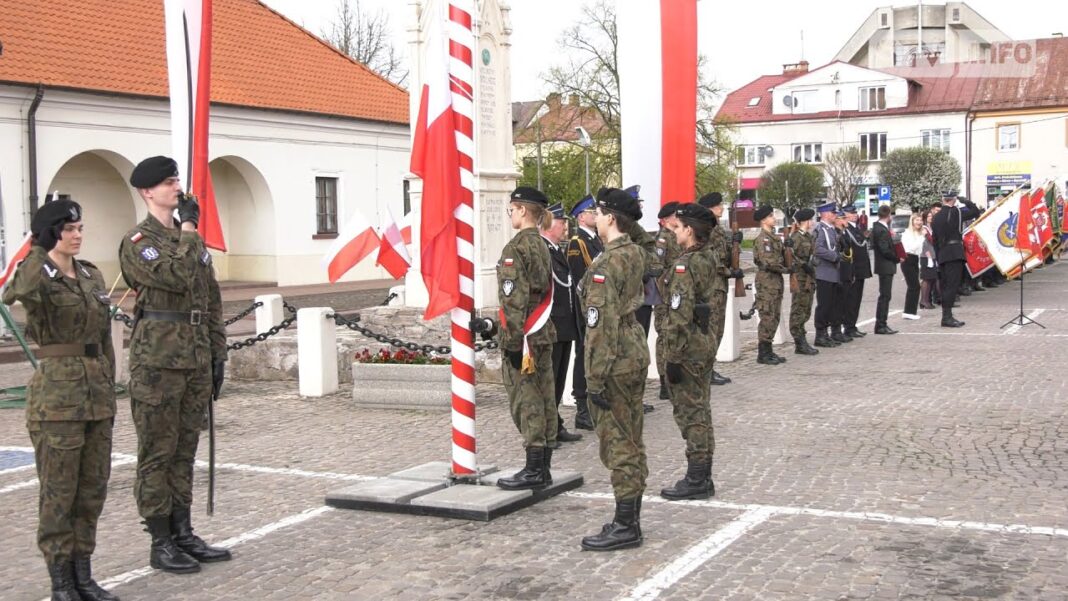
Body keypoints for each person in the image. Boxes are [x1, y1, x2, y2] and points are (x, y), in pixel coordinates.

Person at [3, 200, 121, 601]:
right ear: (52, 233)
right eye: (67, 229)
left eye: (79, 228)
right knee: (59, 493)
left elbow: (103, 339)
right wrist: (39, 248)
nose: (76, 235)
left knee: (91, 490)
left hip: (96, 397)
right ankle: (61, 583)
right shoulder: (39, 274)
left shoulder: (91, 274)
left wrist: (110, 382)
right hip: (57, 401)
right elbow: (14, 293)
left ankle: (83, 574)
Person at [120, 156, 230, 575]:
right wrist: (188, 229)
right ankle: (160, 539)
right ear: (148, 192)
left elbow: (210, 296)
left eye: (177, 180)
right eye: (168, 183)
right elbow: (177, 277)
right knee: (157, 453)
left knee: (185, 449)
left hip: (195, 356)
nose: (177, 188)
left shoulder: (192, 240)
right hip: (159, 362)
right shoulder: (137, 242)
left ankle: (183, 531)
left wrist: (218, 351)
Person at [577, 188, 650, 551]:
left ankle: (625, 525)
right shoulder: (636, 253)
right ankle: (630, 517)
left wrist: (595, 378)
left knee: (618, 440)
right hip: (633, 349)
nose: (595, 218)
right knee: (632, 435)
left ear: (609, 218)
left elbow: (599, 325)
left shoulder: (607, 263)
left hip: (615, 357)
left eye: (599, 213)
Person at [494, 186, 558, 490]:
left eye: (511, 210)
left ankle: (534, 468)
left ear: (521, 210)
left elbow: (514, 300)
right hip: (542, 332)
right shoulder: (543, 244)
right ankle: (543, 464)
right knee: (545, 397)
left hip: (525, 337)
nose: (511, 215)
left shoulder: (516, 248)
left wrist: (511, 342)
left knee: (526, 400)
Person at [659, 203, 718, 501]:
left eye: (679, 227)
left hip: (688, 347)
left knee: (690, 412)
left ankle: (696, 478)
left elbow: (679, 316)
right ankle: (703, 474)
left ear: (690, 230)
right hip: (703, 341)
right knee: (702, 409)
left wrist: (672, 357)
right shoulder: (707, 257)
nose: (675, 231)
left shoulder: (686, 264)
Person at [540, 202, 583, 446]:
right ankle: (548, 427)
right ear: (548, 224)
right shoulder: (544, 250)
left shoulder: (557, 250)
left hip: (565, 325)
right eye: (560, 222)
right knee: (549, 380)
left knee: (558, 379)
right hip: (552, 326)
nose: (565, 226)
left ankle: (555, 423)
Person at [566, 194, 601, 432]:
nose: (596, 215)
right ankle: (582, 407)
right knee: (583, 353)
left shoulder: (596, 240)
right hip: (584, 307)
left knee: (595, 353)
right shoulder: (578, 243)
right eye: (592, 212)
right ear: (581, 216)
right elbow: (581, 279)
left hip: (597, 306)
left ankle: (593, 401)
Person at [697, 193, 735, 385]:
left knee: (718, 328)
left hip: (720, 285)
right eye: (718, 205)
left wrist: (733, 243)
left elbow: (726, 255)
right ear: (710, 208)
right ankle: (706, 370)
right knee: (711, 328)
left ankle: (710, 367)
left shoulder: (718, 229)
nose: (722, 208)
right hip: (712, 285)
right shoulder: (707, 230)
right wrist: (728, 271)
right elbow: (711, 260)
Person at [930, 190, 980, 327]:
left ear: (942, 199)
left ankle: (946, 316)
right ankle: (947, 317)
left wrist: (939, 255)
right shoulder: (956, 213)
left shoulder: (936, 217)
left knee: (946, 285)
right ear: (953, 199)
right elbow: (975, 212)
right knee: (952, 286)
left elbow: (935, 239)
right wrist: (964, 200)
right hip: (955, 252)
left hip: (943, 253)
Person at [751, 204, 789, 365]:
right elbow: (769, 261)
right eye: (771, 216)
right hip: (767, 281)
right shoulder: (763, 239)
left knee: (774, 315)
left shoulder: (773, 237)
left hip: (775, 281)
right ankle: (763, 352)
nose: (774, 219)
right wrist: (786, 267)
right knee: (767, 315)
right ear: (764, 220)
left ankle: (769, 349)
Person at [652, 201, 682, 401]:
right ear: (665, 220)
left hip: (674, 295)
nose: (676, 219)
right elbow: (657, 269)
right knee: (664, 338)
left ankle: (671, 380)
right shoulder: (663, 239)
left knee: (673, 337)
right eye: (673, 216)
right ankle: (664, 383)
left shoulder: (675, 237)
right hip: (665, 296)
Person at [788, 208, 819, 355]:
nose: (812, 222)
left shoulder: (808, 237)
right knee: (799, 309)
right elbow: (790, 255)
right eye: (810, 220)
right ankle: (799, 341)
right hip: (800, 277)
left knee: (806, 310)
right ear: (804, 221)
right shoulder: (796, 237)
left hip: (809, 277)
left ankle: (802, 339)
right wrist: (803, 264)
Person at [812, 203, 841, 348]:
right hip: (823, 272)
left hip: (833, 272)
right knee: (824, 305)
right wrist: (834, 256)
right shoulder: (820, 230)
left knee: (832, 305)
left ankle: (827, 333)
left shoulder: (831, 230)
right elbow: (817, 249)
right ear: (825, 214)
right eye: (833, 213)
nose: (835, 215)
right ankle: (820, 334)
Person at [841, 205, 871, 339]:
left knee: (857, 300)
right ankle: (849, 327)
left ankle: (852, 325)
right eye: (851, 213)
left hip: (860, 269)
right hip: (853, 270)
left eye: (855, 212)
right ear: (845, 215)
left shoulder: (856, 228)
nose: (854, 215)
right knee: (851, 300)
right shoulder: (847, 230)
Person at [871, 205, 900, 334]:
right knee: (885, 295)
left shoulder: (880, 228)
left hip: (884, 265)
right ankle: (881, 324)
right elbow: (884, 249)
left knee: (885, 295)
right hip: (885, 265)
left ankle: (881, 323)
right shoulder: (881, 229)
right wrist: (897, 258)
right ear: (889, 215)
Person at [831, 211, 855, 344]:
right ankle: (836, 330)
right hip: (840, 271)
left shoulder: (844, 233)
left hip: (847, 270)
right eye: (843, 218)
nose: (846, 220)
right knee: (838, 303)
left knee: (845, 301)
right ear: (837, 220)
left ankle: (841, 329)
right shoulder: (836, 233)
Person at [900, 213, 927, 318]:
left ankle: (910, 311)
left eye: (920, 220)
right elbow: (910, 248)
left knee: (914, 286)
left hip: (915, 260)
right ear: (912, 221)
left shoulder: (918, 234)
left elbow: (919, 251)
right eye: (916, 220)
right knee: (914, 286)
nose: (919, 222)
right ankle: (909, 312)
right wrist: (922, 237)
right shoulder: (907, 234)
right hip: (908, 259)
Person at [920, 209, 941, 309]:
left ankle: (927, 299)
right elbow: (925, 243)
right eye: (928, 216)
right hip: (926, 255)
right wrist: (928, 256)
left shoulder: (931, 227)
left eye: (931, 216)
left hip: (933, 254)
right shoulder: (924, 228)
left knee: (932, 278)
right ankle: (924, 300)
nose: (930, 218)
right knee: (927, 279)